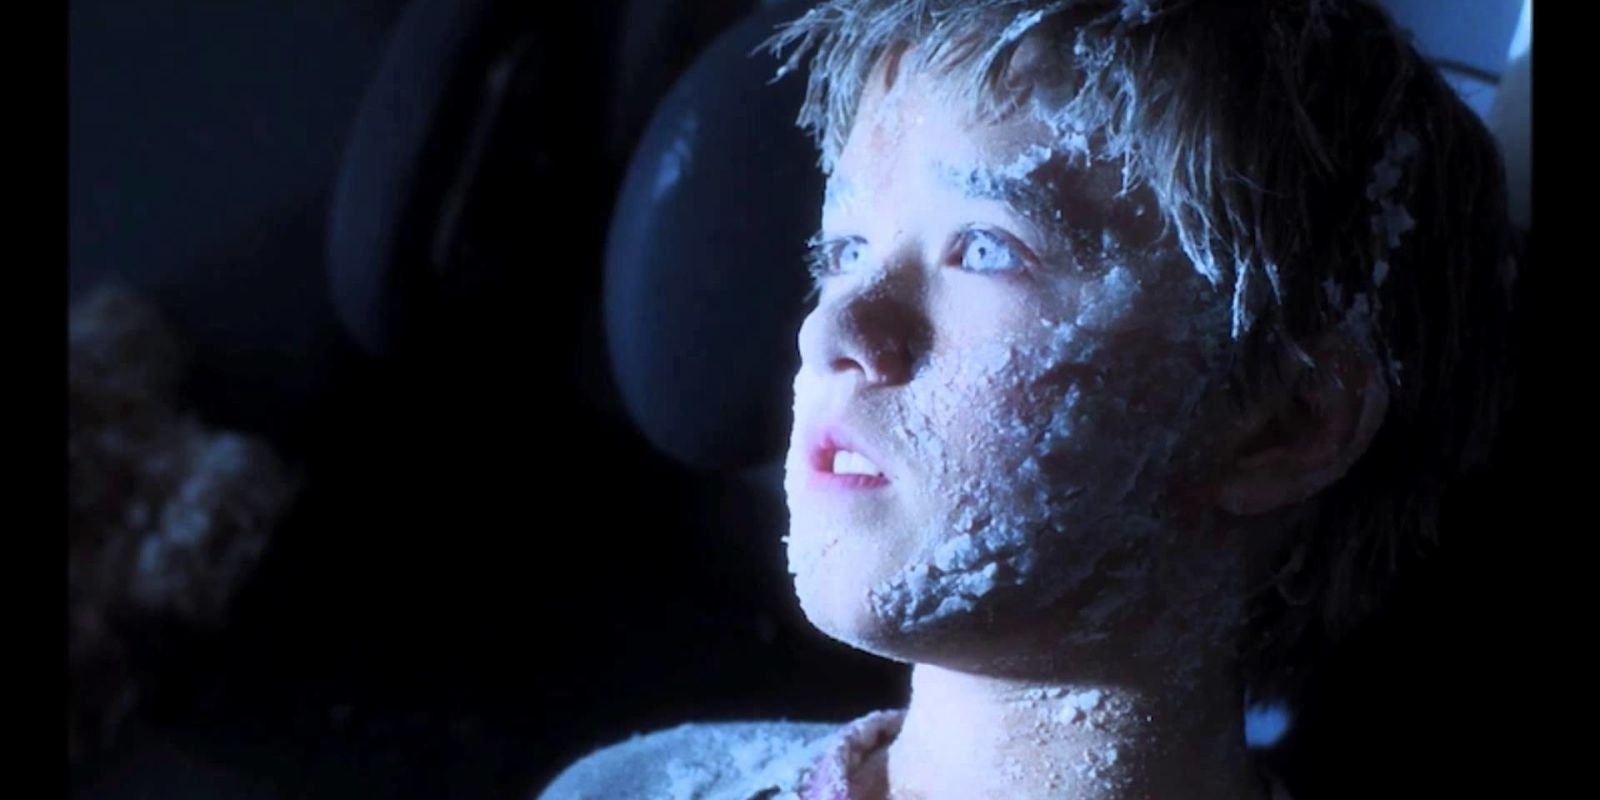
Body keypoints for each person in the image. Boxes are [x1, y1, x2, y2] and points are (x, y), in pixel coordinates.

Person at [539, 1, 1519, 797]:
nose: (833, 329)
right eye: (842, 253)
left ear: (1284, 423)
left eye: (985, 248)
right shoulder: (630, 787)